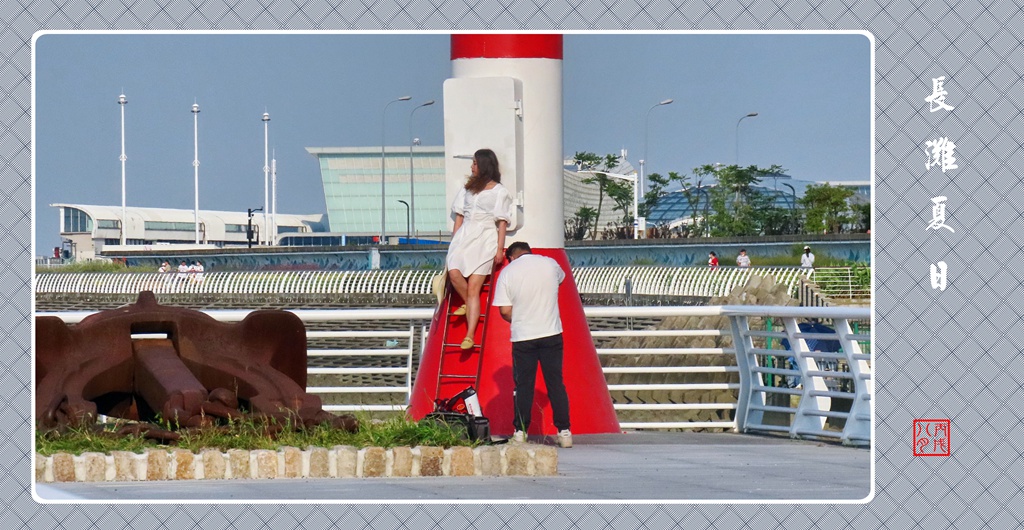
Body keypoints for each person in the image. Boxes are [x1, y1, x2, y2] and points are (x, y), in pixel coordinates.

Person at [493, 241, 572, 448]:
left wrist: (520, 318)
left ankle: (520, 431)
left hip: (523, 336)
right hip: (552, 333)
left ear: (511, 256)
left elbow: (504, 310)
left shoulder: (508, 272)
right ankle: (564, 432)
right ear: (529, 251)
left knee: (523, 386)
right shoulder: (551, 264)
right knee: (556, 383)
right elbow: (560, 281)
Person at [445, 148, 514, 350]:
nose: (471, 166)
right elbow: (459, 215)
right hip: (465, 235)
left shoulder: (499, 192)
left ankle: (469, 334)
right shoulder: (467, 188)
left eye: (474, 163)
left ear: (483, 165)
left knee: (475, 286)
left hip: (485, 238)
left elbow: (502, 222)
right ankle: (469, 304)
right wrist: (453, 241)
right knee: (454, 273)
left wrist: (500, 249)